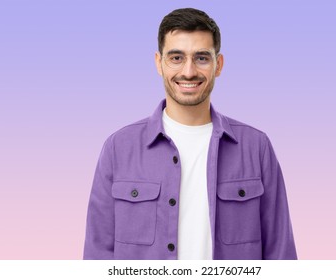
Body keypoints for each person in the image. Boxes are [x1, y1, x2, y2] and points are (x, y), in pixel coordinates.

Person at [83, 7, 297, 260]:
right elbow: (97, 255)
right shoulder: (118, 147)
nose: (188, 71)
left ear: (218, 65)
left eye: (201, 58)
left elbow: (280, 252)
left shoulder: (256, 147)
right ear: (158, 63)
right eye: (176, 57)